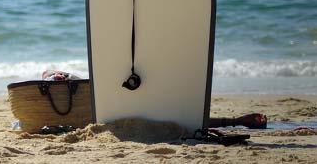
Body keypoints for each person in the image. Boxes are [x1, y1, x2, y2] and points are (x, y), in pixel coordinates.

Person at [42, 70, 268, 129]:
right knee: (181, 120)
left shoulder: (79, 90)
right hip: (120, 106)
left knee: (179, 118)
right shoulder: (81, 94)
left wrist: (58, 76)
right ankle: (236, 121)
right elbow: (47, 72)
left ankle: (237, 121)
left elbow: (47, 71)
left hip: (116, 104)